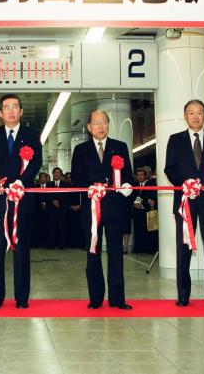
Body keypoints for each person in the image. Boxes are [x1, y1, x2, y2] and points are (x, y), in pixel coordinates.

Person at [0, 94, 42, 309]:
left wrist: (21, 182)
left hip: (22, 200)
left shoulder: (32, 135)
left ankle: (22, 298)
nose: (11, 110)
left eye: (15, 106)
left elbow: (35, 163)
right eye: (7, 107)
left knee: (22, 251)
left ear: (21, 111)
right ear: (0, 113)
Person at [164, 99, 204, 307]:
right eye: (191, 113)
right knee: (183, 249)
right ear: (185, 116)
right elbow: (169, 168)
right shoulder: (175, 140)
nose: (195, 116)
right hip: (185, 201)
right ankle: (183, 295)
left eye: (199, 112)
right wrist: (185, 184)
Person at [71, 110, 135, 310]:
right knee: (93, 253)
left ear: (109, 125)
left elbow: (129, 177)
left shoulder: (120, 147)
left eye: (104, 122)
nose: (101, 126)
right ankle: (96, 298)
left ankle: (117, 299)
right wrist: (90, 187)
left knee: (116, 253)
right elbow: (76, 178)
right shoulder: (80, 150)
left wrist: (127, 187)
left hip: (115, 207)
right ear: (89, 127)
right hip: (91, 208)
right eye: (96, 123)